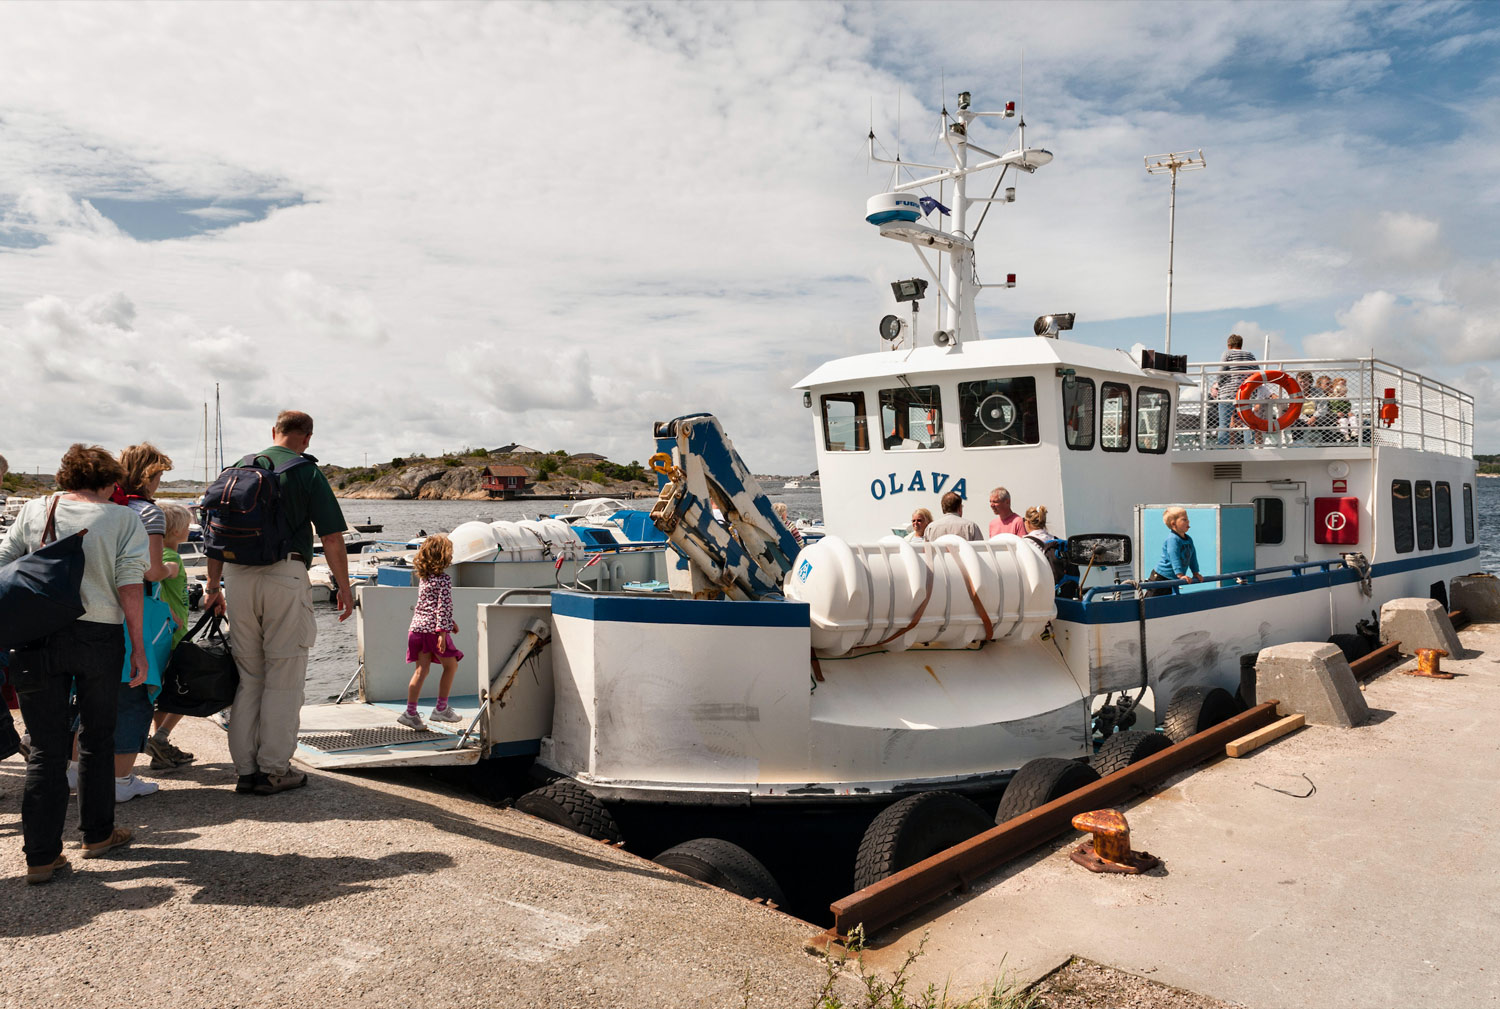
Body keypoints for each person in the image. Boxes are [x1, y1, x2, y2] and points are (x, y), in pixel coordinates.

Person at [0, 445, 147, 883]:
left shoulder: (33, 509)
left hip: (35, 636)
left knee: (45, 746)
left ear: (65, 477)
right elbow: (130, 585)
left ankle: (41, 857)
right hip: (98, 635)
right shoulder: (124, 520)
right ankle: (97, 835)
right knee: (98, 735)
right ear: (110, 482)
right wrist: (138, 646)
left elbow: (7, 567)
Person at [204, 410, 351, 796]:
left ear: (274, 432)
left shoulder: (237, 468)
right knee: (284, 676)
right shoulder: (306, 472)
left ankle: (245, 769)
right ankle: (273, 770)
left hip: (237, 578)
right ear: (307, 438)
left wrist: (213, 585)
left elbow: (215, 537)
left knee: (250, 676)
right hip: (284, 575)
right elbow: (332, 537)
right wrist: (344, 588)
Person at [111, 443, 178, 802]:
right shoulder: (149, 514)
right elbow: (152, 569)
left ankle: (76, 772)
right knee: (135, 693)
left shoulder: (107, 506)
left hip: (98, 611)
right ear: (149, 476)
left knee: (90, 696)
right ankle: (121, 781)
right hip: (135, 610)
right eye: (158, 477)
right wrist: (171, 568)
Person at [146, 502, 196, 770]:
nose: (190, 529)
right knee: (189, 689)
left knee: (162, 693)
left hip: (160, 634)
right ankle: (162, 737)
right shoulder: (172, 556)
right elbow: (167, 571)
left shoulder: (151, 553)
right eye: (186, 525)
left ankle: (159, 749)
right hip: (175, 635)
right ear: (176, 530)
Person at [398, 535, 463, 729]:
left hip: (416, 629)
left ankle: (410, 713)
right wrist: (443, 633)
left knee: (421, 670)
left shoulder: (424, 579)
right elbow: (442, 607)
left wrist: (450, 623)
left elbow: (428, 605)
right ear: (443, 556)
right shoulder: (444, 579)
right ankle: (441, 709)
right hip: (432, 632)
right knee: (451, 666)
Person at [1145, 507, 1203, 598]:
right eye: (1184, 519)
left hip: (1172, 578)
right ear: (1173, 524)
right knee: (1150, 602)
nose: (1188, 521)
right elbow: (1174, 557)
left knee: (1166, 603)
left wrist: (1196, 573)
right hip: (1161, 576)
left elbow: (1192, 557)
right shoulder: (1173, 539)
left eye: (1187, 519)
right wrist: (1180, 575)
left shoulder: (1188, 539)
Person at [1214, 334, 1257, 446]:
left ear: (1229, 345)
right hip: (1245, 393)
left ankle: (1222, 448)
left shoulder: (1227, 353)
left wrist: (1218, 384)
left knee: (1224, 423)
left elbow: (1220, 373)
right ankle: (1249, 446)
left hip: (1227, 393)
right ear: (1240, 345)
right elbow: (1256, 373)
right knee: (1247, 422)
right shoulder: (1250, 355)